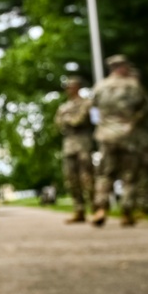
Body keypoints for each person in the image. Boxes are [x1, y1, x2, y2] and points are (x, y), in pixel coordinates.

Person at [90, 55, 148, 227]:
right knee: (129, 175)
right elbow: (146, 106)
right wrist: (134, 120)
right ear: (122, 67)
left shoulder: (100, 87)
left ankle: (101, 208)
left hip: (106, 135)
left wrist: (102, 124)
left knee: (105, 174)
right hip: (127, 135)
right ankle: (126, 211)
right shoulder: (133, 86)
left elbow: (92, 109)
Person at [54, 76, 94, 224]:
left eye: (71, 86)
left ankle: (95, 209)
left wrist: (67, 119)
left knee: (87, 177)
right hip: (68, 145)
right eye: (67, 87)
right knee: (71, 179)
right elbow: (57, 124)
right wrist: (69, 119)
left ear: (78, 87)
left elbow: (80, 120)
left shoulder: (86, 103)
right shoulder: (63, 106)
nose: (68, 89)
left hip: (83, 143)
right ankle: (79, 210)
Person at [129, 66, 148, 218]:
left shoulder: (142, 95)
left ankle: (144, 205)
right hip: (130, 139)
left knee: (143, 171)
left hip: (141, 139)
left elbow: (143, 113)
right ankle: (132, 204)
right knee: (131, 172)